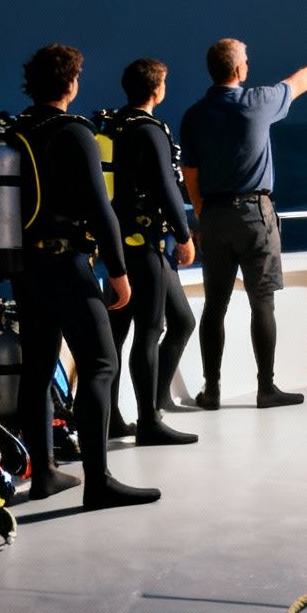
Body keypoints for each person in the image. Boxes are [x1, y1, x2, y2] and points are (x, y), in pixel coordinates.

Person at [7, 44, 159, 508]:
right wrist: (118, 273)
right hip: (67, 264)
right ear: (71, 84)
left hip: (24, 268)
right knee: (99, 364)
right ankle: (98, 482)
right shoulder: (74, 132)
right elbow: (101, 208)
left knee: (36, 370)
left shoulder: (16, 131)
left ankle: (47, 472)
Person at [179, 39, 307, 410]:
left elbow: (189, 172)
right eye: (246, 60)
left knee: (215, 306)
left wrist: (202, 213)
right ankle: (266, 388)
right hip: (255, 215)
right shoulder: (257, 102)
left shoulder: (193, 115)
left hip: (214, 215)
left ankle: (211, 390)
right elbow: (298, 83)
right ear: (239, 70)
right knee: (262, 303)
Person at [104, 58, 200, 446]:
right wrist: (184, 234)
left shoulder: (113, 126)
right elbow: (166, 187)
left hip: (117, 248)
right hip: (144, 248)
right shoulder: (149, 130)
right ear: (157, 89)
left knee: (131, 330)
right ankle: (149, 422)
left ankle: (115, 418)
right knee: (148, 330)